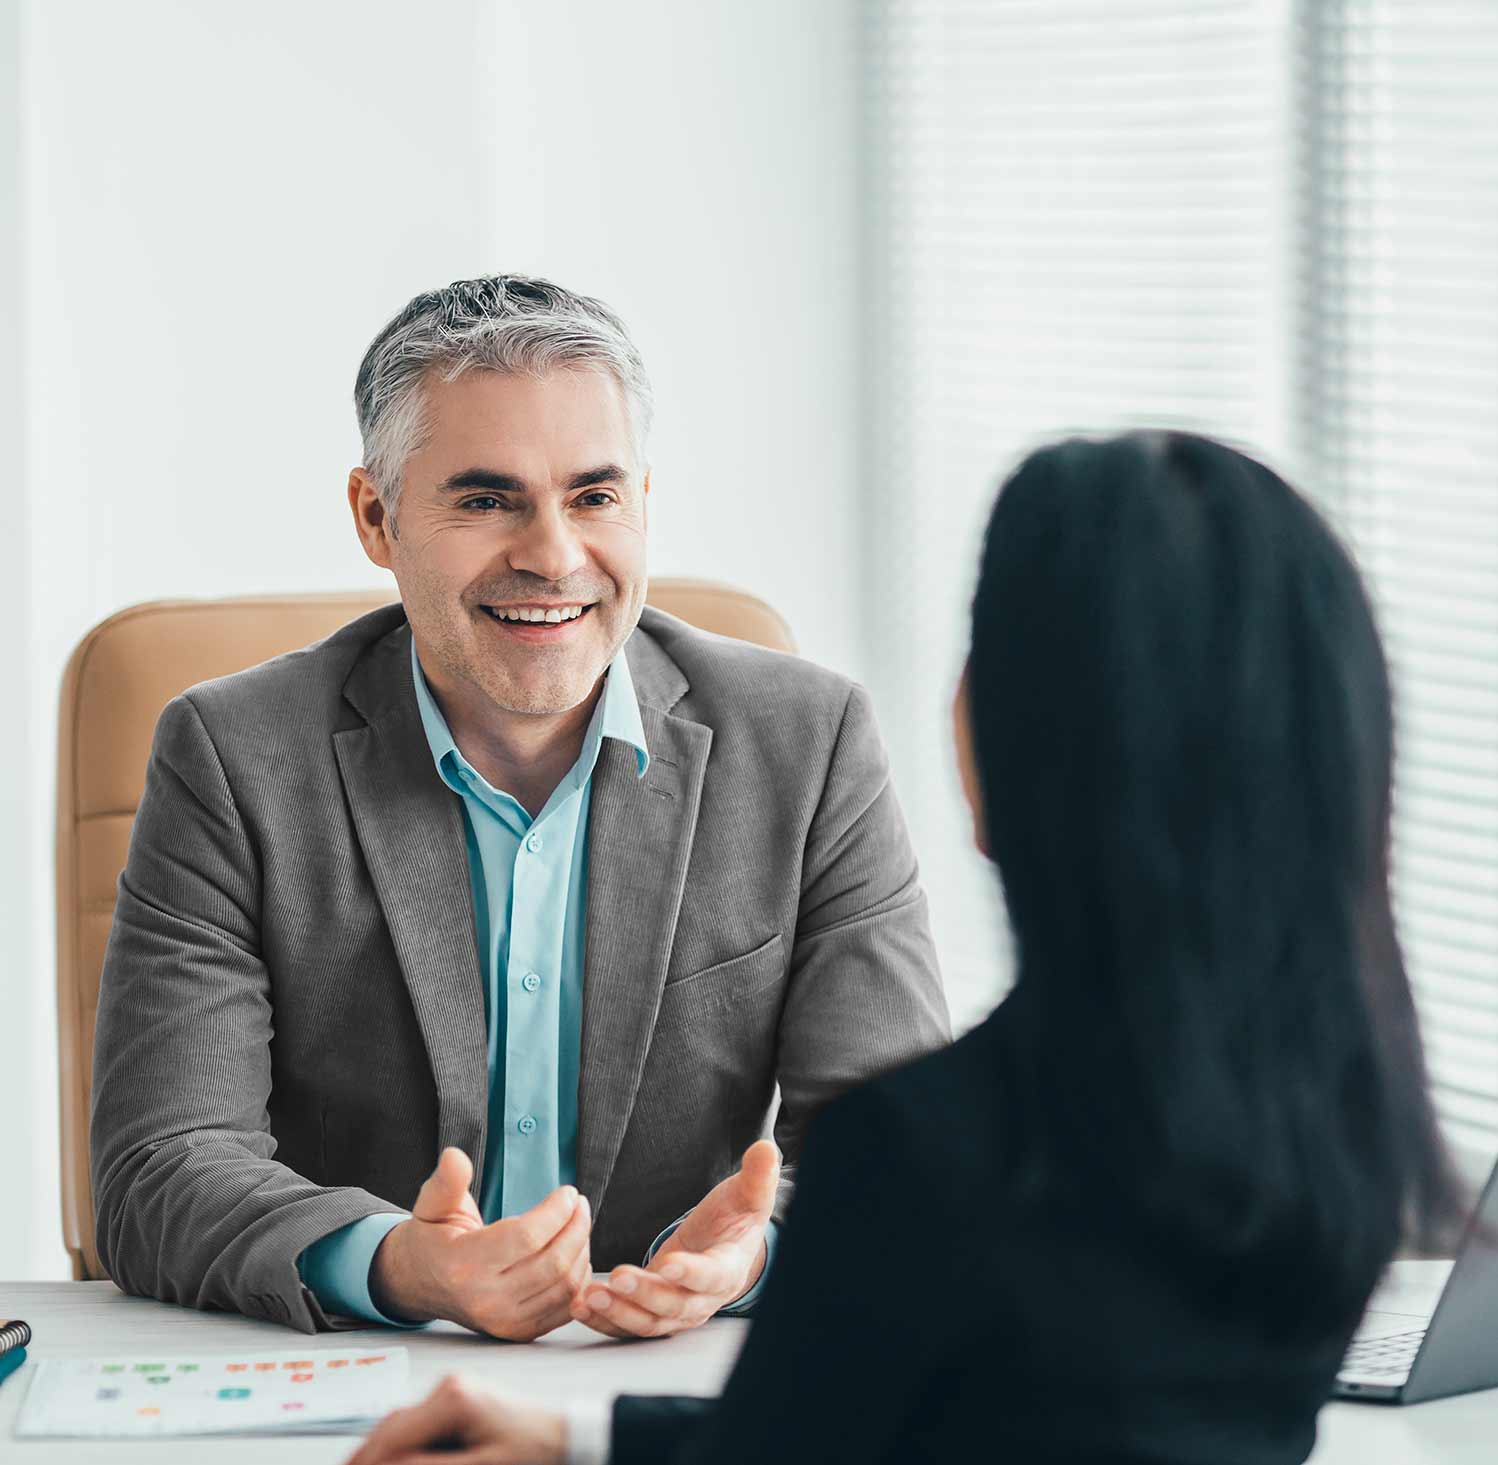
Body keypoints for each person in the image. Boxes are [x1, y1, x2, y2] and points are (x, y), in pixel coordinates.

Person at [346, 429, 1462, 1465]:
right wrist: (583, 1441)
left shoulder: (937, 1160)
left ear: (1026, 745)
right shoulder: (1342, 1133)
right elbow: (970, 1425)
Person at [89, 276, 949, 1342]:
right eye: (487, 500)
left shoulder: (810, 745)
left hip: (665, 1388)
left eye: (593, 496)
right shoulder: (232, 757)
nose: (551, 555)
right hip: (364, 1382)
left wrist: (755, 1253)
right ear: (376, 515)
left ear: (642, 500)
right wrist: (406, 1264)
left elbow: (906, 1164)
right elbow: (157, 1168)